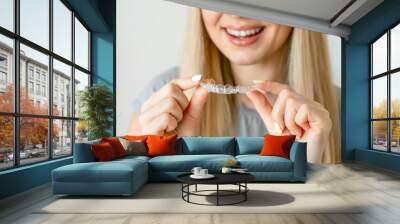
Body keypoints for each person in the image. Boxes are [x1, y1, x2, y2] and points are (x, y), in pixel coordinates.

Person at [129, 8, 340, 164]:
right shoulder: (162, 101)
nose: (238, 14)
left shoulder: (346, 109)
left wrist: (306, 166)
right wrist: (160, 162)